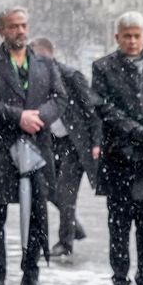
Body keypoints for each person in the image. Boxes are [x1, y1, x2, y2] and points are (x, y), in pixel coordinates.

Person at [0, 6, 67, 285]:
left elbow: (60, 97)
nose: (21, 31)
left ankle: (31, 275)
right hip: (0, 148)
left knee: (38, 213)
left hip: (37, 147)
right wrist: (17, 116)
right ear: (1, 31)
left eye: (24, 25)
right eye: (13, 26)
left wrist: (39, 116)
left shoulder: (44, 63)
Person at [92, 11, 143, 285]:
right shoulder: (103, 67)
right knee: (118, 225)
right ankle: (119, 280)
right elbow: (102, 106)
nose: (132, 41)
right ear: (117, 37)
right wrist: (135, 130)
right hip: (118, 158)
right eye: (126, 35)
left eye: (137, 36)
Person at [29, 37, 100, 258]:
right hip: (52, 141)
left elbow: (92, 110)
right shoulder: (34, 79)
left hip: (75, 142)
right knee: (49, 189)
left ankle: (65, 242)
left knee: (65, 191)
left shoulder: (70, 75)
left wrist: (96, 142)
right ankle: (72, 225)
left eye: (40, 58)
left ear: (50, 55)